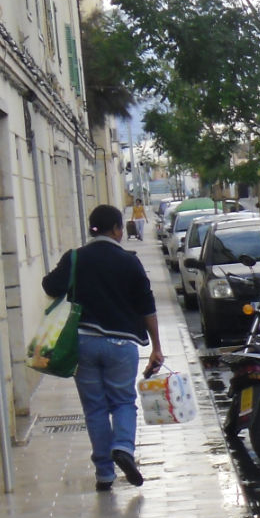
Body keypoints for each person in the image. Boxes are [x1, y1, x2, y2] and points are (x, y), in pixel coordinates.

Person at [42, 205, 165, 491]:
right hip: (122, 345)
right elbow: (147, 306)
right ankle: (123, 446)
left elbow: (50, 286)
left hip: (83, 343)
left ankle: (104, 474)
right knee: (123, 401)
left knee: (95, 408)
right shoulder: (129, 261)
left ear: (91, 229)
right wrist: (156, 347)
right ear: (117, 229)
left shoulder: (75, 258)